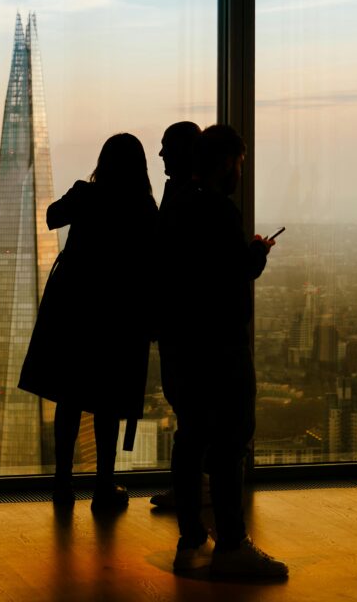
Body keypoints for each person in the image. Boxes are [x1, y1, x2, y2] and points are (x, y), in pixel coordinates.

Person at [162, 124, 287, 578]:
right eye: (238, 164)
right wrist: (256, 254)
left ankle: (192, 536)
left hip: (182, 345)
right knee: (230, 441)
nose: (240, 173)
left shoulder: (175, 206)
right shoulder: (218, 211)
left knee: (190, 438)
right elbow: (231, 274)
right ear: (223, 164)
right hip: (220, 346)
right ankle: (231, 543)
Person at [19, 133, 158, 512]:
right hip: (118, 314)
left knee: (70, 396)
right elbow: (153, 265)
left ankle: (63, 483)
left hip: (73, 308)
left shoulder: (86, 194)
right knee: (107, 401)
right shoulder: (144, 205)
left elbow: (51, 217)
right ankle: (103, 487)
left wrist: (83, 195)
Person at [150, 121, 202, 513]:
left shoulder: (193, 198)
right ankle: (189, 490)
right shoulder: (183, 194)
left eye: (167, 147)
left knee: (191, 412)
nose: (162, 155)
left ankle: (191, 492)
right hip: (178, 323)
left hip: (187, 325)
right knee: (185, 408)